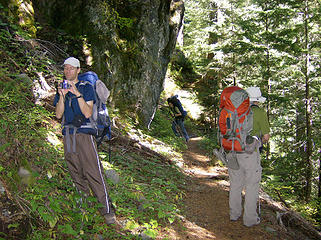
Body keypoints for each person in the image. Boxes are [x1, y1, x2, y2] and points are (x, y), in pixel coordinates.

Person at [53, 57, 116, 225]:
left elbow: (88, 113)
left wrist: (77, 94)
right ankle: (83, 207)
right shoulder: (62, 88)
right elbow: (58, 115)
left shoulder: (86, 87)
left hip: (84, 135)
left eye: (71, 68)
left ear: (78, 70)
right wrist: (61, 96)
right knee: (75, 170)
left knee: (93, 171)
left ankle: (107, 210)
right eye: (65, 68)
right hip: (68, 134)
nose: (68, 71)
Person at [228, 86, 270, 227]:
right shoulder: (259, 112)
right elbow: (266, 137)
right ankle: (250, 219)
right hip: (250, 153)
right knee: (251, 185)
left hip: (232, 151)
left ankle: (234, 214)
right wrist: (258, 140)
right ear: (257, 100)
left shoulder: (234, 110)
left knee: (235, 184)